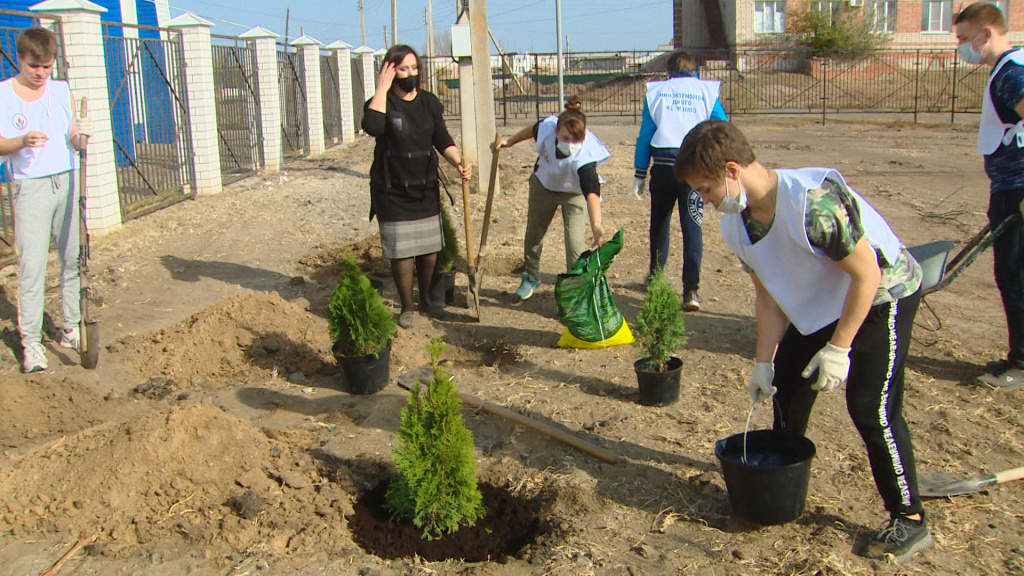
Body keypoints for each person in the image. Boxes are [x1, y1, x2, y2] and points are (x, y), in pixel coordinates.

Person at [675, 120, 932, 563]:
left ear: (732, 171)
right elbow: (769, 296)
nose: (703, 200)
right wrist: (763, 362)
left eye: (705, 188)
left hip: (882, 294)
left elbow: (867, 274)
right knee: (787, 388)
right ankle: (779, 478)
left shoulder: (812, 205)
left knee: (871, 408)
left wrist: (838, 348)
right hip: (823, 297)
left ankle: (909, 517)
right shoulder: (738, 225)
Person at [0, 27, 92, 373]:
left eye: (47, 67)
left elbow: (73, 140)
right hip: (30, 187)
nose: (40, 74)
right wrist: (21, 140)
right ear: (20, 59)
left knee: (72, 259)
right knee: (33, 268)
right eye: (34, 67)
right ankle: (32, 343)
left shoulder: (60, 90)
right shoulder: (4, 95)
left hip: (66, 181)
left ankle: (71, 327)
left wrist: (82, 135)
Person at [362, 44, 471, 329]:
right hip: (392, 189)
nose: (410, 74)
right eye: (402, 69)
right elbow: (372, 126)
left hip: (424, 186)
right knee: (401, 251)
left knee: (428, 249)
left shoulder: (429, 103)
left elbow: (442, 139)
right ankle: (407, 307)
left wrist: (458, 161)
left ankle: (426, 300)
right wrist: (381, 89)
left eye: (414, 68)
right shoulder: (381, 102)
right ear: (390, 71)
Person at [954, 3, 1024, 388]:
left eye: (965, 39)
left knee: (1015, 276)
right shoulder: (1008, 70)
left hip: (1017, 188)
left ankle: (1022, 364)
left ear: (987, 34)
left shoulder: (1011, 75)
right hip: (1009, 186)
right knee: (1012, 275)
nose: (962, 48)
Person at [634, 50, 727, 312]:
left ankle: (655, 279)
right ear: (695, 71)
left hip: (664, 167)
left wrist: (640, 171)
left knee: (660, 224)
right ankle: (691, 291)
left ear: (668, 73)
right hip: (695, 170)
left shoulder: (657, 92)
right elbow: (722, 126)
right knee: (692, 226)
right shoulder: (706, 92)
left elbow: (645, 135)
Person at [492, 96, 610, 300]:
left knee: (575, 244)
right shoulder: (547, 128)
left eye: (576, 140)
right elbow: (531, 130)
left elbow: (591, 191)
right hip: (544, 185)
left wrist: (597, 226)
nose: (571, 144)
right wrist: (509, 141)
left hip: (574, 193)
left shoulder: (586, 157)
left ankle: (574, 293)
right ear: (557, 132)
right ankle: (530, 276)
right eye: (565, 138)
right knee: (534, 234)